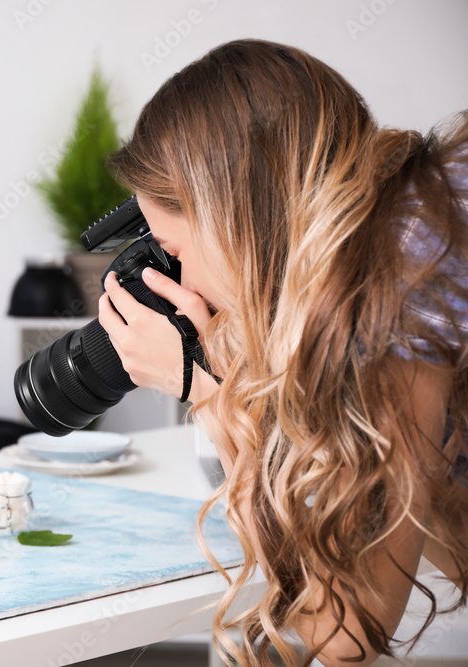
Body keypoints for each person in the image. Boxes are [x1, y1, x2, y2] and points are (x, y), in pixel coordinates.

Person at [99, 39, 468, 666]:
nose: (183, 285)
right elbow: (438, 512)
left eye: (177, 253)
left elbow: (346, 634)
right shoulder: (423, 207)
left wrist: (211, 392)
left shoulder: (401, 273)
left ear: (232, 214)